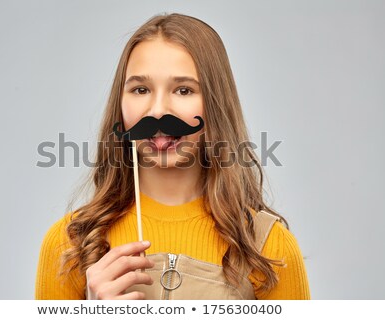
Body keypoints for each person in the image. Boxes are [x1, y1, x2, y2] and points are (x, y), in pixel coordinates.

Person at [35, 13, 310, 300]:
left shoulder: (269, 247)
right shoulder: (69, 245)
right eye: (140, 89)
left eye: (183, 90)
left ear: (216, 104)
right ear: (120, 107)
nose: (157, 111)